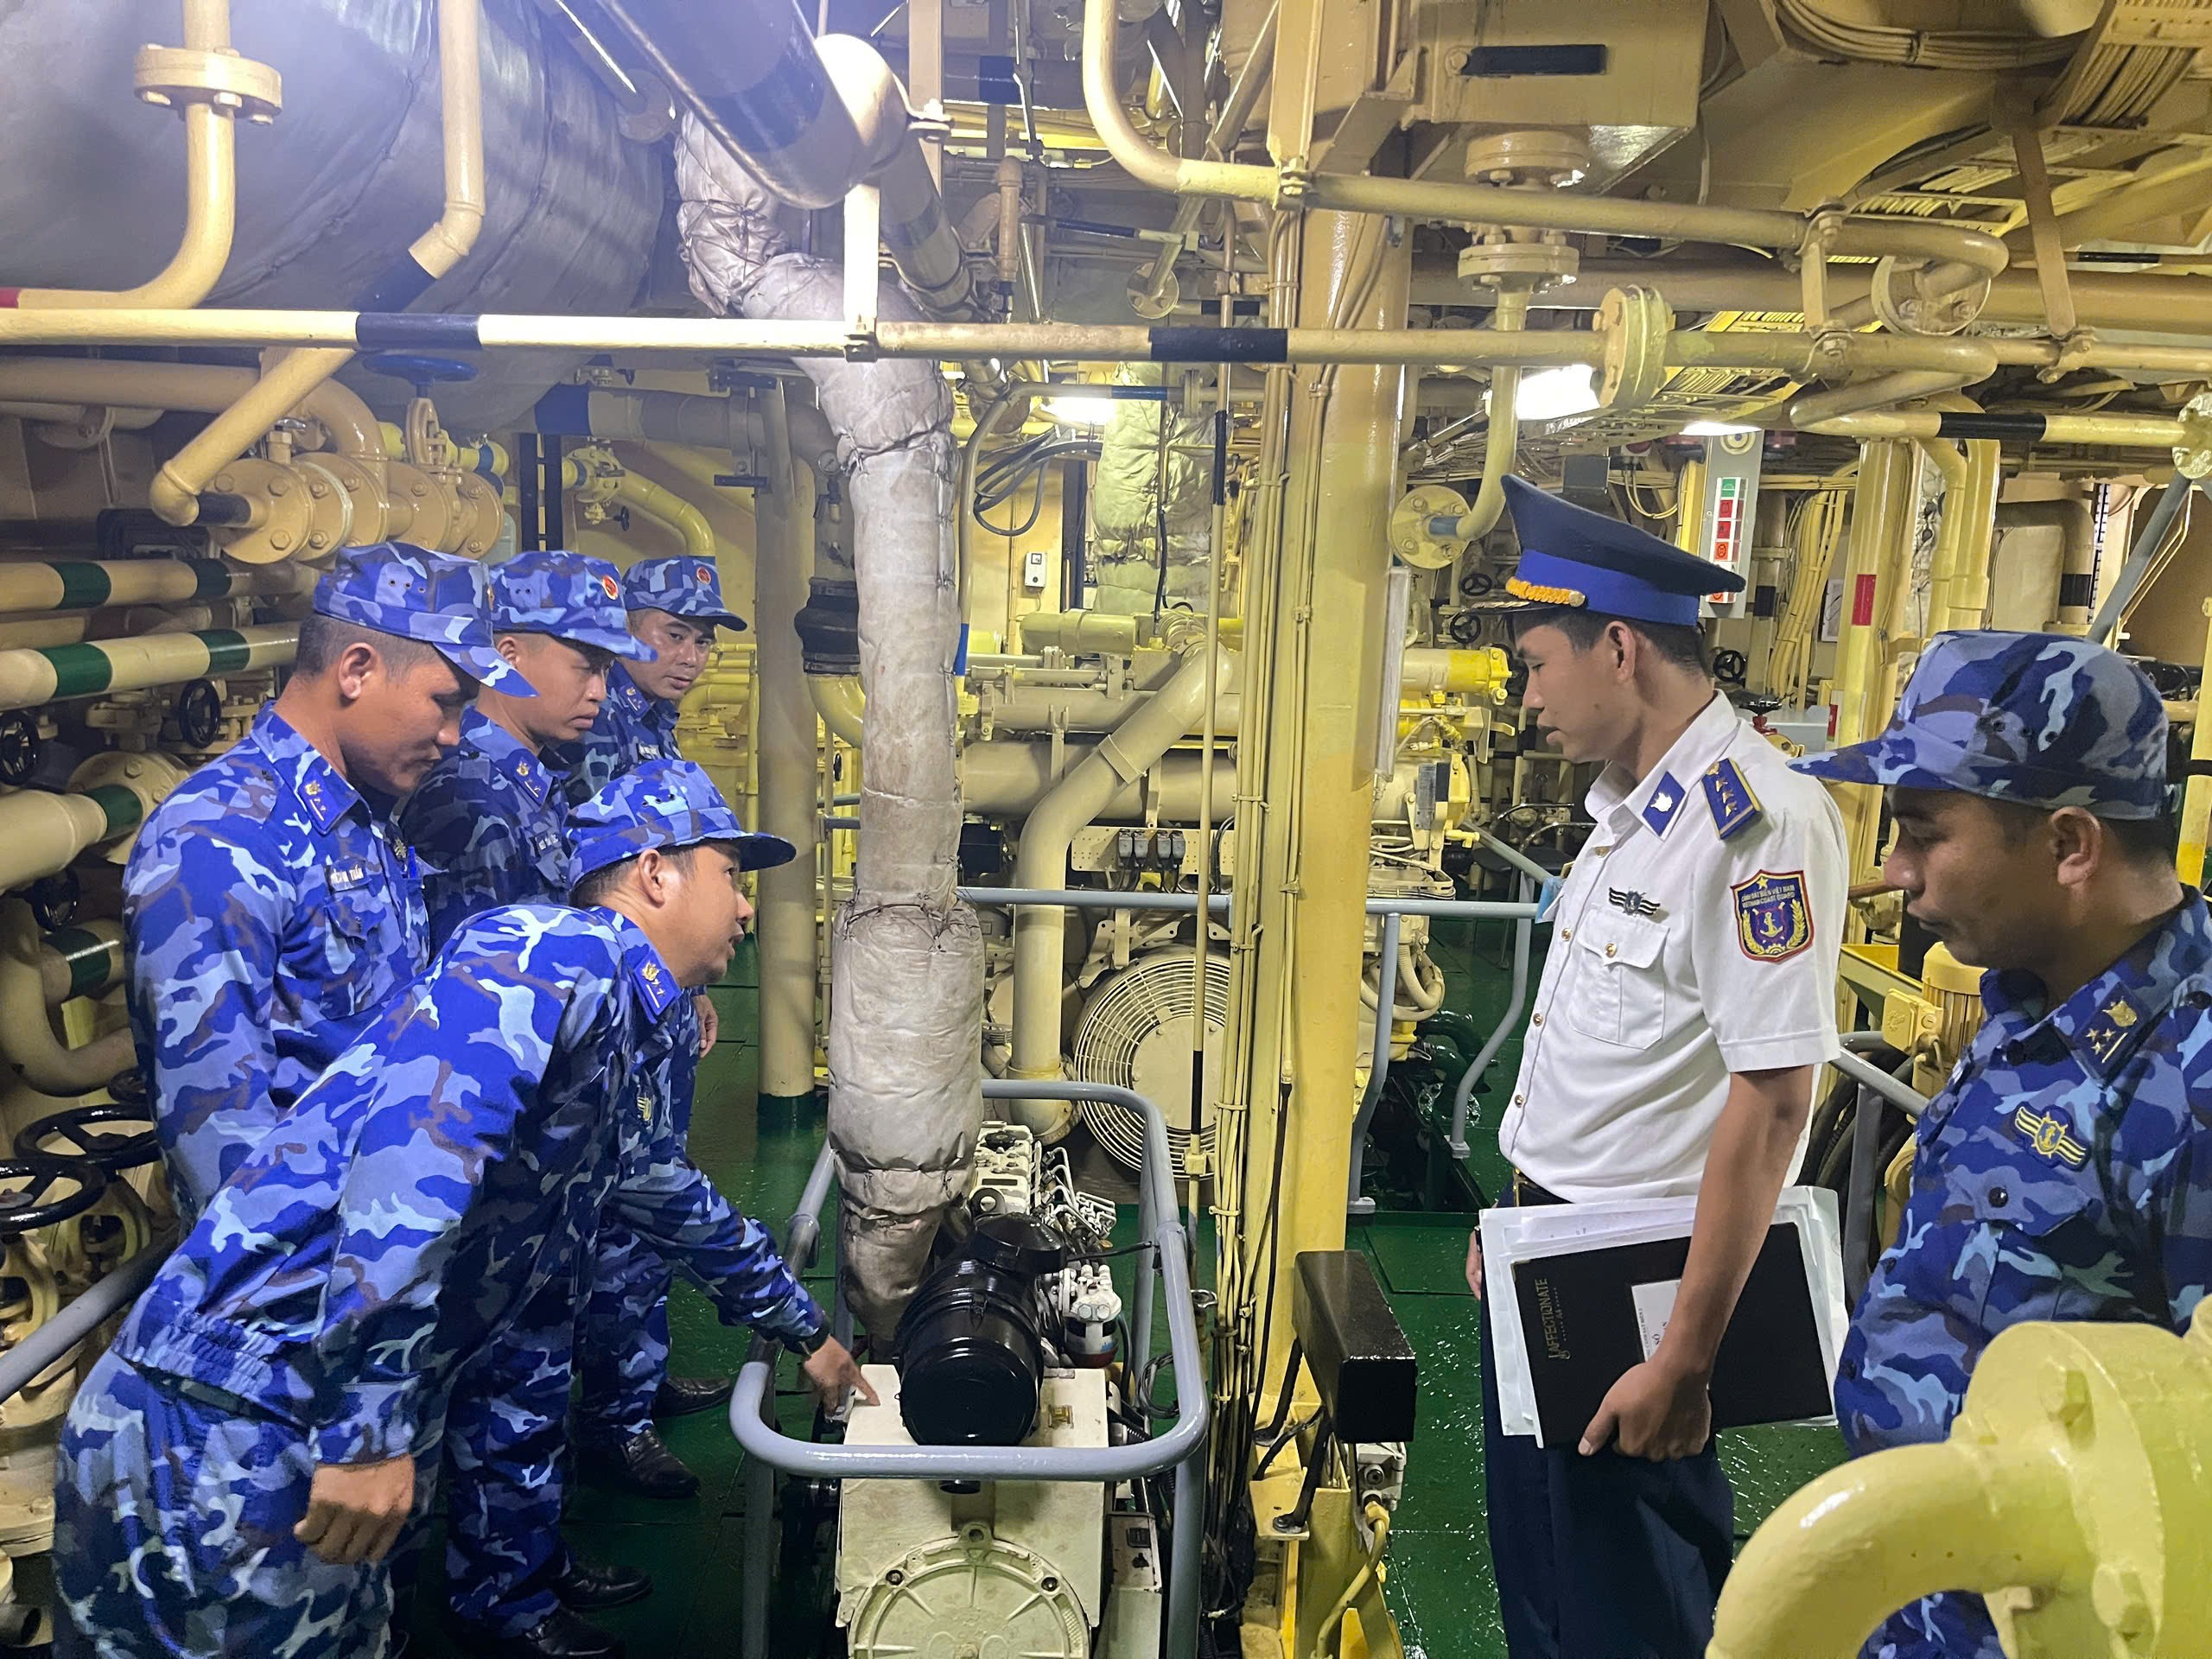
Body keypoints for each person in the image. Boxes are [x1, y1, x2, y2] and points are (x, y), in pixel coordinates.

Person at [55, 760, 871, 1659]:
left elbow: (663, 1190)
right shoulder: (551, 953)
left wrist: (803, 1328)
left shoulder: (616, 1021)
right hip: (235, 1410)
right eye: (731, 876)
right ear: (654, 874)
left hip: (300, 1404)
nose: (748, 908)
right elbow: (416, 1167)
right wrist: (370, 1431)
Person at [1461, 475, 1848, 1659]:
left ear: (1619, 649)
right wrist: (1509, 1224)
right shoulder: (1633, 811)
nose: (1528, 698)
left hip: (1632, 1289)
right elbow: (1599, 1072)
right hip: (1548, 1252)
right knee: (1542, 1580)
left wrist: (1684, 1358)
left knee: (1628, 1603)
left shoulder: (1756, 823)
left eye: (1536, 665)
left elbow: (1772, 1101)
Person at [1791, 630, 2212, 1659]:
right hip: (1925, 1598)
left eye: (1923, 835)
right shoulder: (2034, 999)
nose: (1895, 873)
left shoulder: (2191, 1083)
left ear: (2069, 846)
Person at [398, 550, 659, 1657]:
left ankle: (520, 1568)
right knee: (488, 1366)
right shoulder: (470, 794)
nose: (601, 686)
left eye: (608, 666)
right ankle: (493, 1596)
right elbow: (486, 991)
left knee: (524, 1365)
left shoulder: (524, 780)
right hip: (489, 1141)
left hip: (534, 1139)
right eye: (583, 661)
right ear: (507, 654)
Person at [123, 541, 529, 1217]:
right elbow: (222, 1147)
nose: (455, 736)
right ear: (357, 670)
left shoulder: (361, 812)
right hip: (313, 1262)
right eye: (445, 703)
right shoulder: (215, 840)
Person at [560, 554, 750, 1499]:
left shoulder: (649, 728)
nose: (691, 655)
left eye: (701, 640)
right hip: (615, 1007)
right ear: (625, 629)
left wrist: (692, 984)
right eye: (673, 634)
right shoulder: (597, 734)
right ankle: (614, 1422)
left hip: (654, 994)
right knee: (633, 1198)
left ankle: (639, 1377)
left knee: (654, 1178)